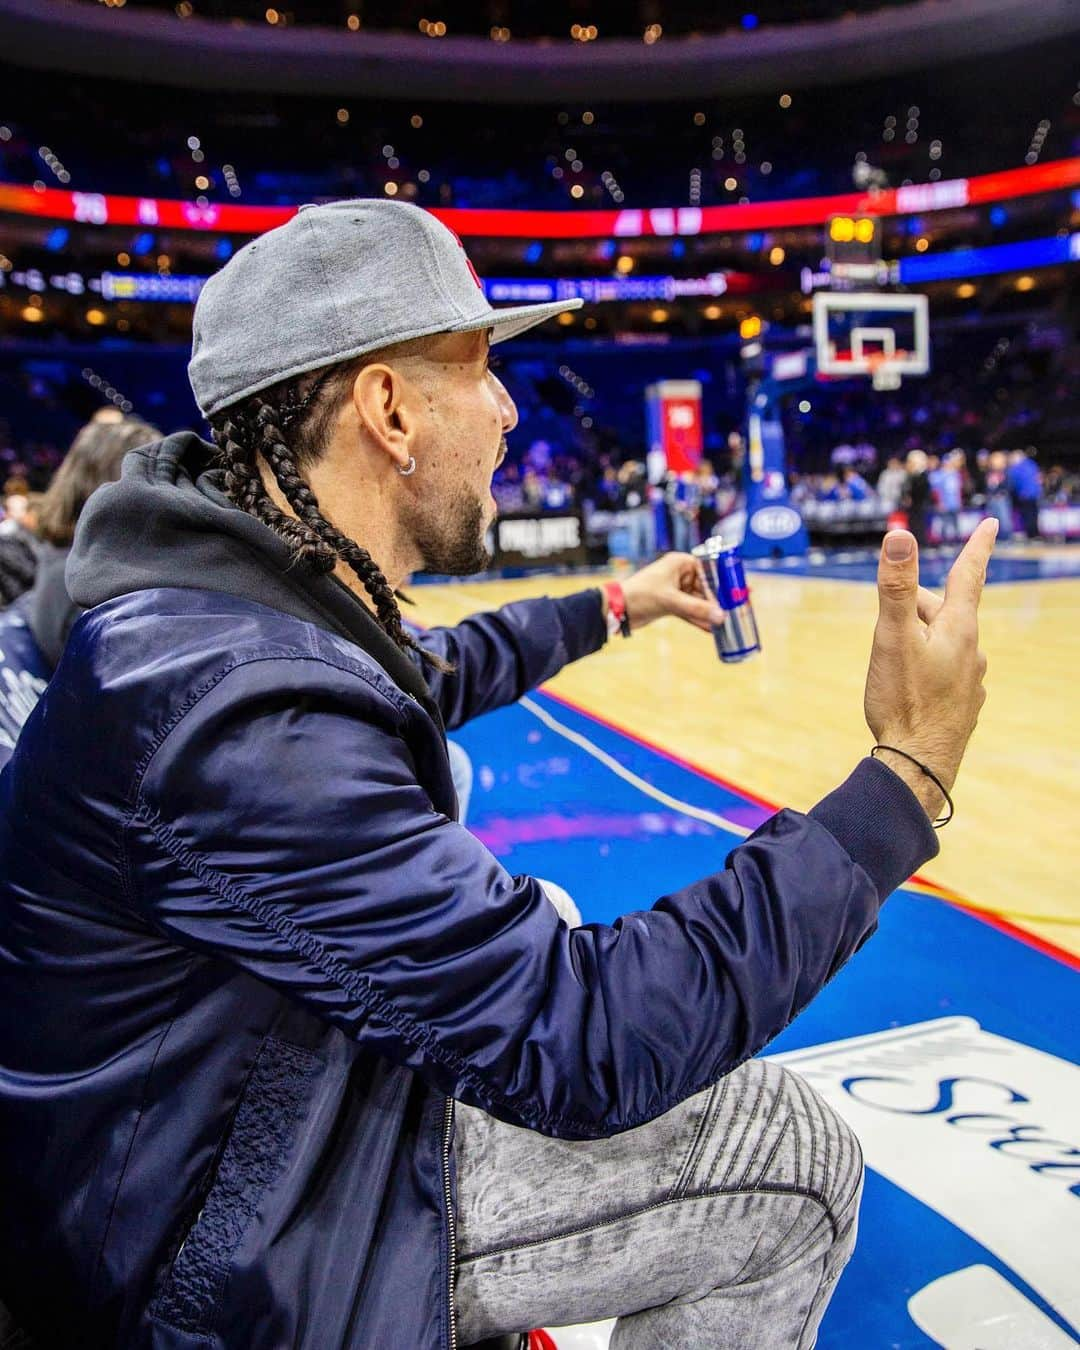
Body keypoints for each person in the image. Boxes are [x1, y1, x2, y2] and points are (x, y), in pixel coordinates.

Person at [0, 199, 994, 1350]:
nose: (514, 409)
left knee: (519, 917)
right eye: (480, 366)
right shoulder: (240, 714)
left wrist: (618, 602)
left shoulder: (221, 615)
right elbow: (588, 1041)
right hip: (193, 1259)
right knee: (785, 1157)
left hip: (190, 1136)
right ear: (388, 409)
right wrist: (904, 778)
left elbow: (433, 671)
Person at [1007, 446, 1042, 539]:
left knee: (1027, 515)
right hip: (1034, 494)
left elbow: (1012, 483)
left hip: (1025, 495)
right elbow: (1038, 478)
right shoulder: (1032, 464)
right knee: (1034, 514)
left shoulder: (1016, 468)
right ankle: (1035, 534)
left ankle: (1031, 535)